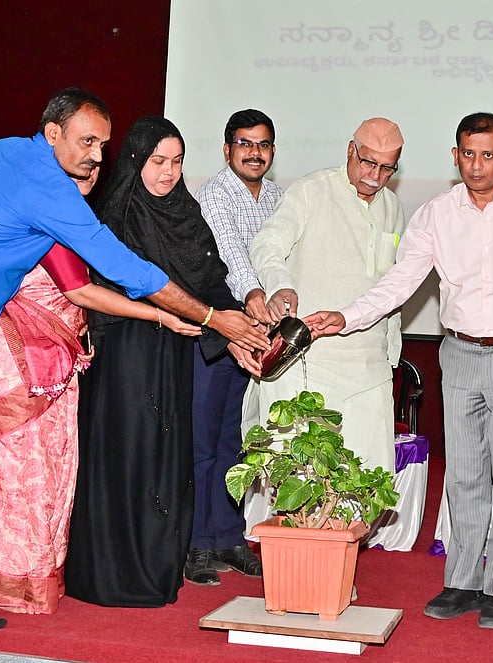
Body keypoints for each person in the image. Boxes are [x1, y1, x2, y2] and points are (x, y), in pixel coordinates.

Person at [0, 90, 267, 629]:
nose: (95, 154)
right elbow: (124, 267)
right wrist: (212, 317)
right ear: (52, 133)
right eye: (86, 141)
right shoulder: (50, 190)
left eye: (103, 145)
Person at [306, 112, 493, 630]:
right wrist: (347, 316)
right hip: (458, 354)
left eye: (489, 155)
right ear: (455, 157)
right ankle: (461, 580)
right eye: (468, 154)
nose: (477, 166)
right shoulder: (435, 214)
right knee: (466, 473)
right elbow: (400, 281)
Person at [0, 172, 201, 613]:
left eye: (95, 164)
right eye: (78, 165)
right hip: (27, 360)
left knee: (47, 471)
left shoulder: (69, 221)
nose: (91, 172)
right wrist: (160, 315)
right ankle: (7, 578)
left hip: (55, 359)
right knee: (23, 472)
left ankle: (28, 577)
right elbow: (81, 291)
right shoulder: (52, 225)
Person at [65, 116, 259, 607]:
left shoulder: (184, 213)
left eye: (176, 162)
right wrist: (218, 322)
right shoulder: (116, 213)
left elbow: (208, 278)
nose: (168, 173)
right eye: (157, 162)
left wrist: (234, 330)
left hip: (174, 352)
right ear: (135, 160)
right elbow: (133, 284)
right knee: (128, 455)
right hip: (126, 355)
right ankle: (113, 572)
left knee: (166, 459)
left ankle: (156, 565)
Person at [247, 117, 406, 476]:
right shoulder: (311, 190)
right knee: (303, 478)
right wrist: (279, 284)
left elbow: (392, 283)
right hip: (311, 362)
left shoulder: (393, 207)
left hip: (369, 365)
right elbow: (266, 244)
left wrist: (390, 351)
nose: (375, 176)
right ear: (351, 151)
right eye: (368, 163)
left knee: (367, 476)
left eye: (386, 168)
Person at [184, 109, 283, 586]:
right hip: (217, 333)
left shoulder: (280, 198)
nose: (254, 153)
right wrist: (258, 300)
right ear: (227, 150)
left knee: (236, 442)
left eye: (263, 145)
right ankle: (196, 545)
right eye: (244, 144)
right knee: (202, 443)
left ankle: (228, 536)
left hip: (257, 335)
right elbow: (233, 259)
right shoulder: (213, 196)